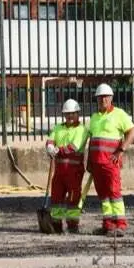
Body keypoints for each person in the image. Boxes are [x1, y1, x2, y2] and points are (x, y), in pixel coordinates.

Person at [85, 83, 134, 237]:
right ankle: (108, 225)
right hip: (96, 163)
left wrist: (121, 150)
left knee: (114, 192)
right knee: (103, 195)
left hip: (111, 163)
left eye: (106, 97)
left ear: (111, 98)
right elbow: (91, 140)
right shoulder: (94, 118)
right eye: (100, 97)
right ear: (96, 99)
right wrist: (89, 162)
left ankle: (120, 224)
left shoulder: (119, 114)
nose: (103, 100)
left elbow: (132, 132)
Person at [43, 99, 90, 234]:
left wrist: (57, 150)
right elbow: (50, 139)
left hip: (74, 171)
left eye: (73, 113)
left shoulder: (82, 130)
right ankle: (56, 224)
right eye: (67, 114)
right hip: (59, 171)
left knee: (73, 198)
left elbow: (74, 147)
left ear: (78, 113)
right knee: (56, 198)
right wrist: (49, 146)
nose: (70, 116)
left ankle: (72, 225)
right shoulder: (58, 128)